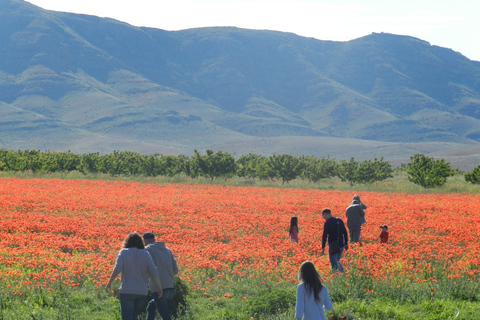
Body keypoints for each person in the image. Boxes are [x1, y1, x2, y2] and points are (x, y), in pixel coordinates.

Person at [106, 232, 163, 320]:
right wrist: (159, 287)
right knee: (134, 316)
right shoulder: (145, 253)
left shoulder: (123, 252)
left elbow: (117, 268)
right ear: (141, 242)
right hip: (141, 292)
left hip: (127, 291)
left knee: (127, 318)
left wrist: (110, 282)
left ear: (127, 242)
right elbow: (154, 270)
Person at [143, 232, 179, 320]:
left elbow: (150, 269)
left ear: (146, 240)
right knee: (151, 307)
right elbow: (175, 271)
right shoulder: (167, 250)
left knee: (165, 316)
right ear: (154, 239)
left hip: (159, 290)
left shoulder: (147, 250)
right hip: (170, 288)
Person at [321, 208, 348, 273]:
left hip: (333, 246)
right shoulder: (339, 220)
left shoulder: (327, 223)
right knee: (337, 261)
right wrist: (346, 243)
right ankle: (339, 275)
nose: (324, 218)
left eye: (323, 216)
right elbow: (345, 232)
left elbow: (325, 235)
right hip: (341, 245)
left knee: (334, 263)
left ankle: (341, 274)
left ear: (325, 214)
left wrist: (323, 247)